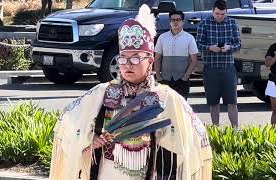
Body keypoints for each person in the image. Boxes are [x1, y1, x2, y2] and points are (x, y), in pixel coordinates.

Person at [49, 4, 212, 180]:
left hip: (150, 172)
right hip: (108, 172)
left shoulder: (166, 97)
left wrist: (165, 136)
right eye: (123, 58)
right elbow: (69, 121)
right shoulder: (102, 92)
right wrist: (90, 138)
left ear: (150, 61)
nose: (128, 64)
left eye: (135, 58)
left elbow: (195, 135)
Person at [196, 0, 241, 128]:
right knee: (213, 102)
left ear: (226, 12)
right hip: (211, 68)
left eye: (222, 14)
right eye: (217, 14)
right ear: (212, 11)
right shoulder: (204, 23)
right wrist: (210, 48)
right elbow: (198, 44)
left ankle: (235, 130)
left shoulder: (232, 23)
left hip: (228, 67)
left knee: (232, 102)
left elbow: (238, 44)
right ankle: (216, 130)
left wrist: (229, 47)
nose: (220, 16)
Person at [154, 10, 198, 100]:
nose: (175, 22)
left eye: (178, 19)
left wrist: (186, 77)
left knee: (181, 108)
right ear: (170, 22)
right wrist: (158, 76)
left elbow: (194, 60)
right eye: (173, 20)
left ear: (183, 22)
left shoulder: (189, 38)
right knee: (165, 108)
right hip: (165, 80)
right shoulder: (162, 37)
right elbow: (157, 58)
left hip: (182, 80)